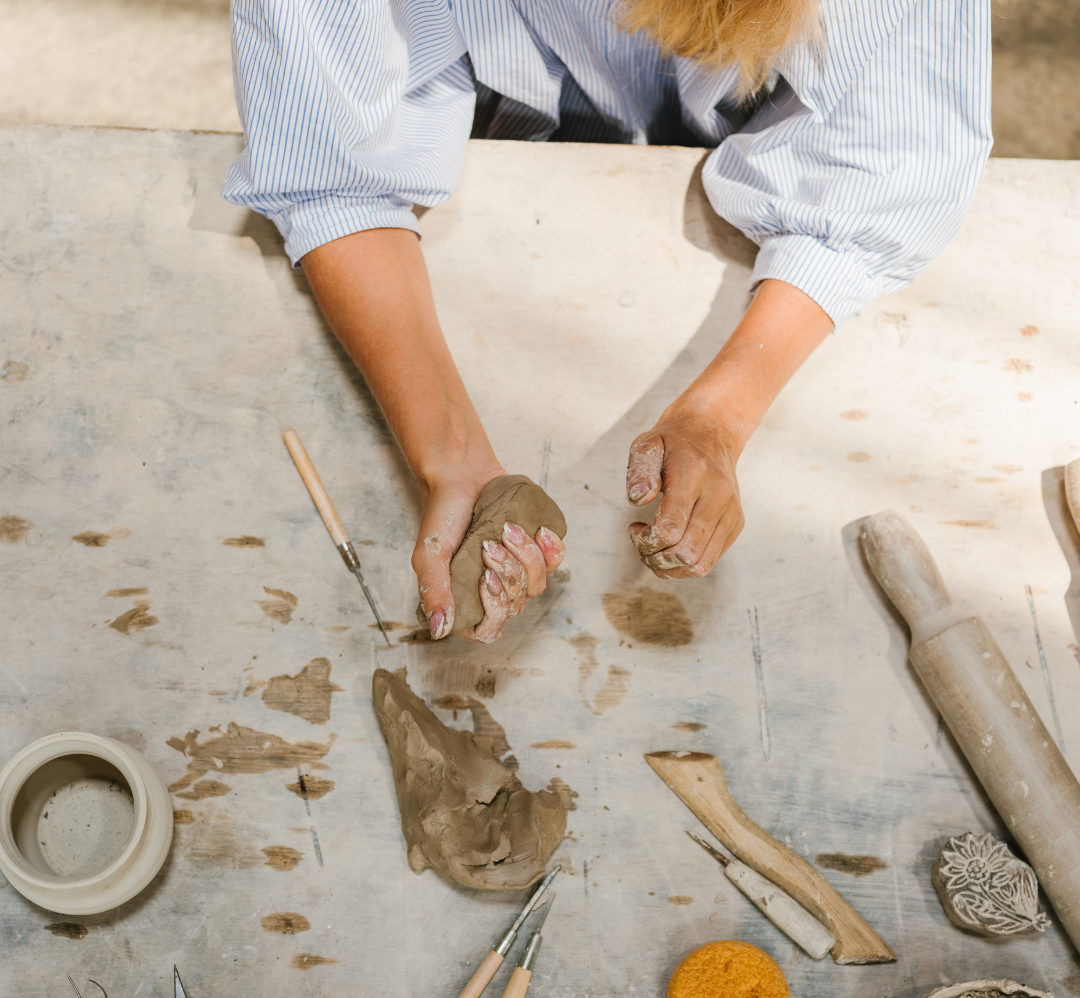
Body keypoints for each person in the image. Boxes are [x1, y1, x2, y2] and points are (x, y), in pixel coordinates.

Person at [225, 0, 991, 643]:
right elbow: (332, 156)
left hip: (768, 117)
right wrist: (450, 454)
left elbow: (889, 162)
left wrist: (719, 419)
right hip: (501, 120)